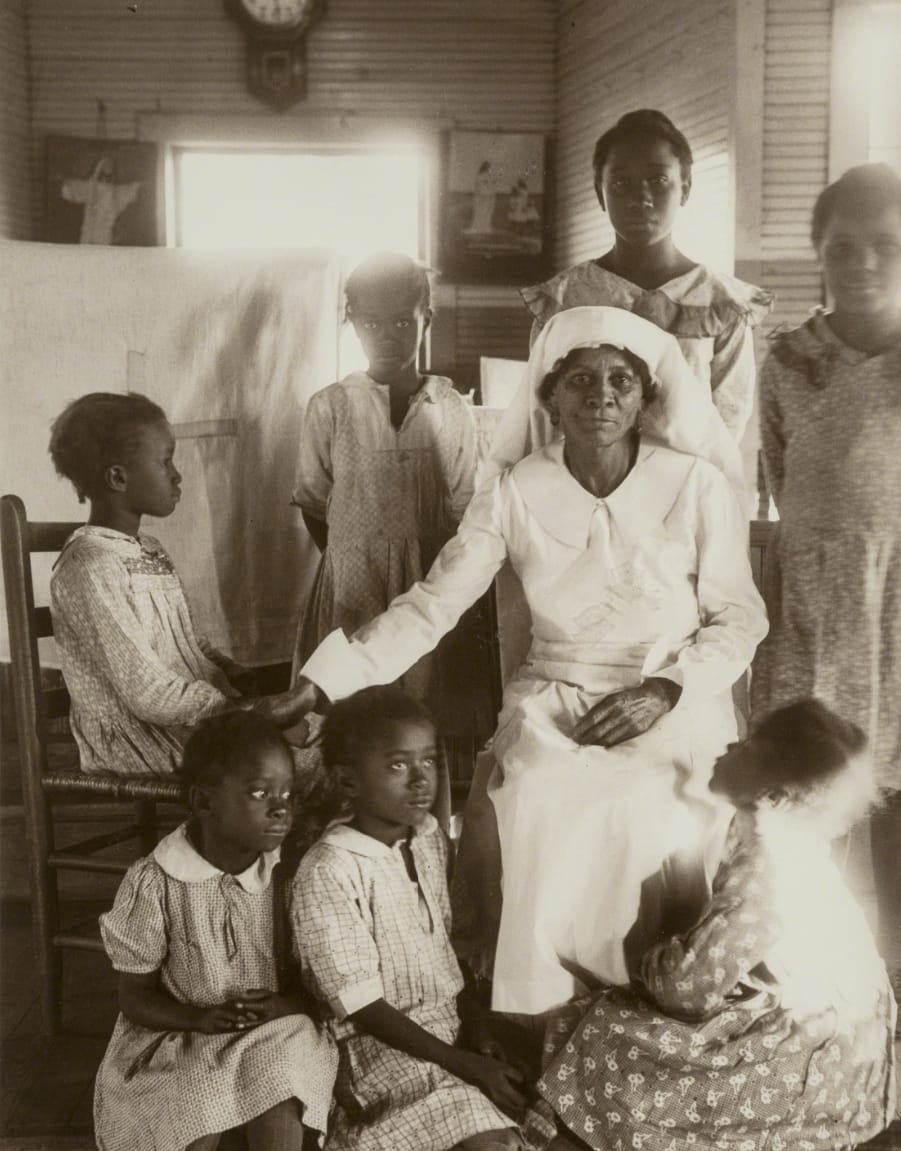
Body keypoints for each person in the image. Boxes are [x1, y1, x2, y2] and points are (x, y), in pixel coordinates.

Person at [289, 306, 768, 1017]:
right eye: (578, 380)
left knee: (641, 803)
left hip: (671, 693)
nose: (599, 395)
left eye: (618, 379)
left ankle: (643, 1000)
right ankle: (539, 1011)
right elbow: (432, 603)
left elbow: (739, 617)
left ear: (645, 395)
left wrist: (667, 689)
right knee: (538, 793)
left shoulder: (695, 485)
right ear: (547, 397)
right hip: (553, 693)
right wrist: (322, 682)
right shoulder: (513, 491)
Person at [529, 700, 896, 1151]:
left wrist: (655, 936)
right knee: (614, 1033)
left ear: (772, 793)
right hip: (830, 1043)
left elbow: (685, 987)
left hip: (815, 1067)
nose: (729, 744)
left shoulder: (767, 863)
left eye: (747, 745)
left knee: (609, 1044)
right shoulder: (788, 839)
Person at [291, 687, 528, 1151]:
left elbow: (443, 953)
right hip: (378, 1051)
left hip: (446, 1033)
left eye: (429, 760)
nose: (422, 780)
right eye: (398, 765)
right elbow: (361, 1007)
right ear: (349, 780)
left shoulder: (425, 838)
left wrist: (478, 1029)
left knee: (537, 1120)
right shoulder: (330, 870)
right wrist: (463, 1064)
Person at [93, 711, 338, 1151]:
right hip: (178, 1033)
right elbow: (133, 997)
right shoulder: (155, 882)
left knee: (287, 1070)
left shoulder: (289, 873)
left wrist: (285, 1005)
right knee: (194, 1111)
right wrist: (195, 1021)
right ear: (204, 802)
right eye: (259, 794)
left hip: (269, 1026)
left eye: (287, 795)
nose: (280, 810)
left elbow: (314, 983)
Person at [758, 162, 901, 995]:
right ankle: (805, 979)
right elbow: (780, 472)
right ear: (817, 252)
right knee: (800, 802)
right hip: (813, 607)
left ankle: (894, 988)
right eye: (842, 247)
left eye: (886, 246)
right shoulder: (788, 361)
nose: (863, 264)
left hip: (896, 616)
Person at [49, 391, 311, 774]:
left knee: (329, 738)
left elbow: (192, 642)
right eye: (165, 461)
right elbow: (148, 694)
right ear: (118, 477)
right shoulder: (90, 566)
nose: (177, 474)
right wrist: (243, 712)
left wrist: (231, 672)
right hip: (139, 736)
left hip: (190, 720)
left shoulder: (150, 550)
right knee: (309, 763)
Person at [291, 252, 487, 737]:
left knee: (418, 720)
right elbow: (314, 500)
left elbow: (466, 506)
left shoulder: (450, 407)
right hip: (349, 591)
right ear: (352, 323)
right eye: (371, 322)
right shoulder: (331, 406)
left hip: (425, 585)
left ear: (428, 319)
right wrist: (351, 560)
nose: (387, 335)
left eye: (403, 321)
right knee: (348, 717)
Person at [512, 110, 772, 446]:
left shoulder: (718, 303)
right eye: (621, 184)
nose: (641, 198)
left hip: (687, 488)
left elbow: (728, 419)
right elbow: (545, 411)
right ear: (598, 192)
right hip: (585, 487)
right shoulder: (565, 299)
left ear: (685, 188)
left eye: (659, 180)